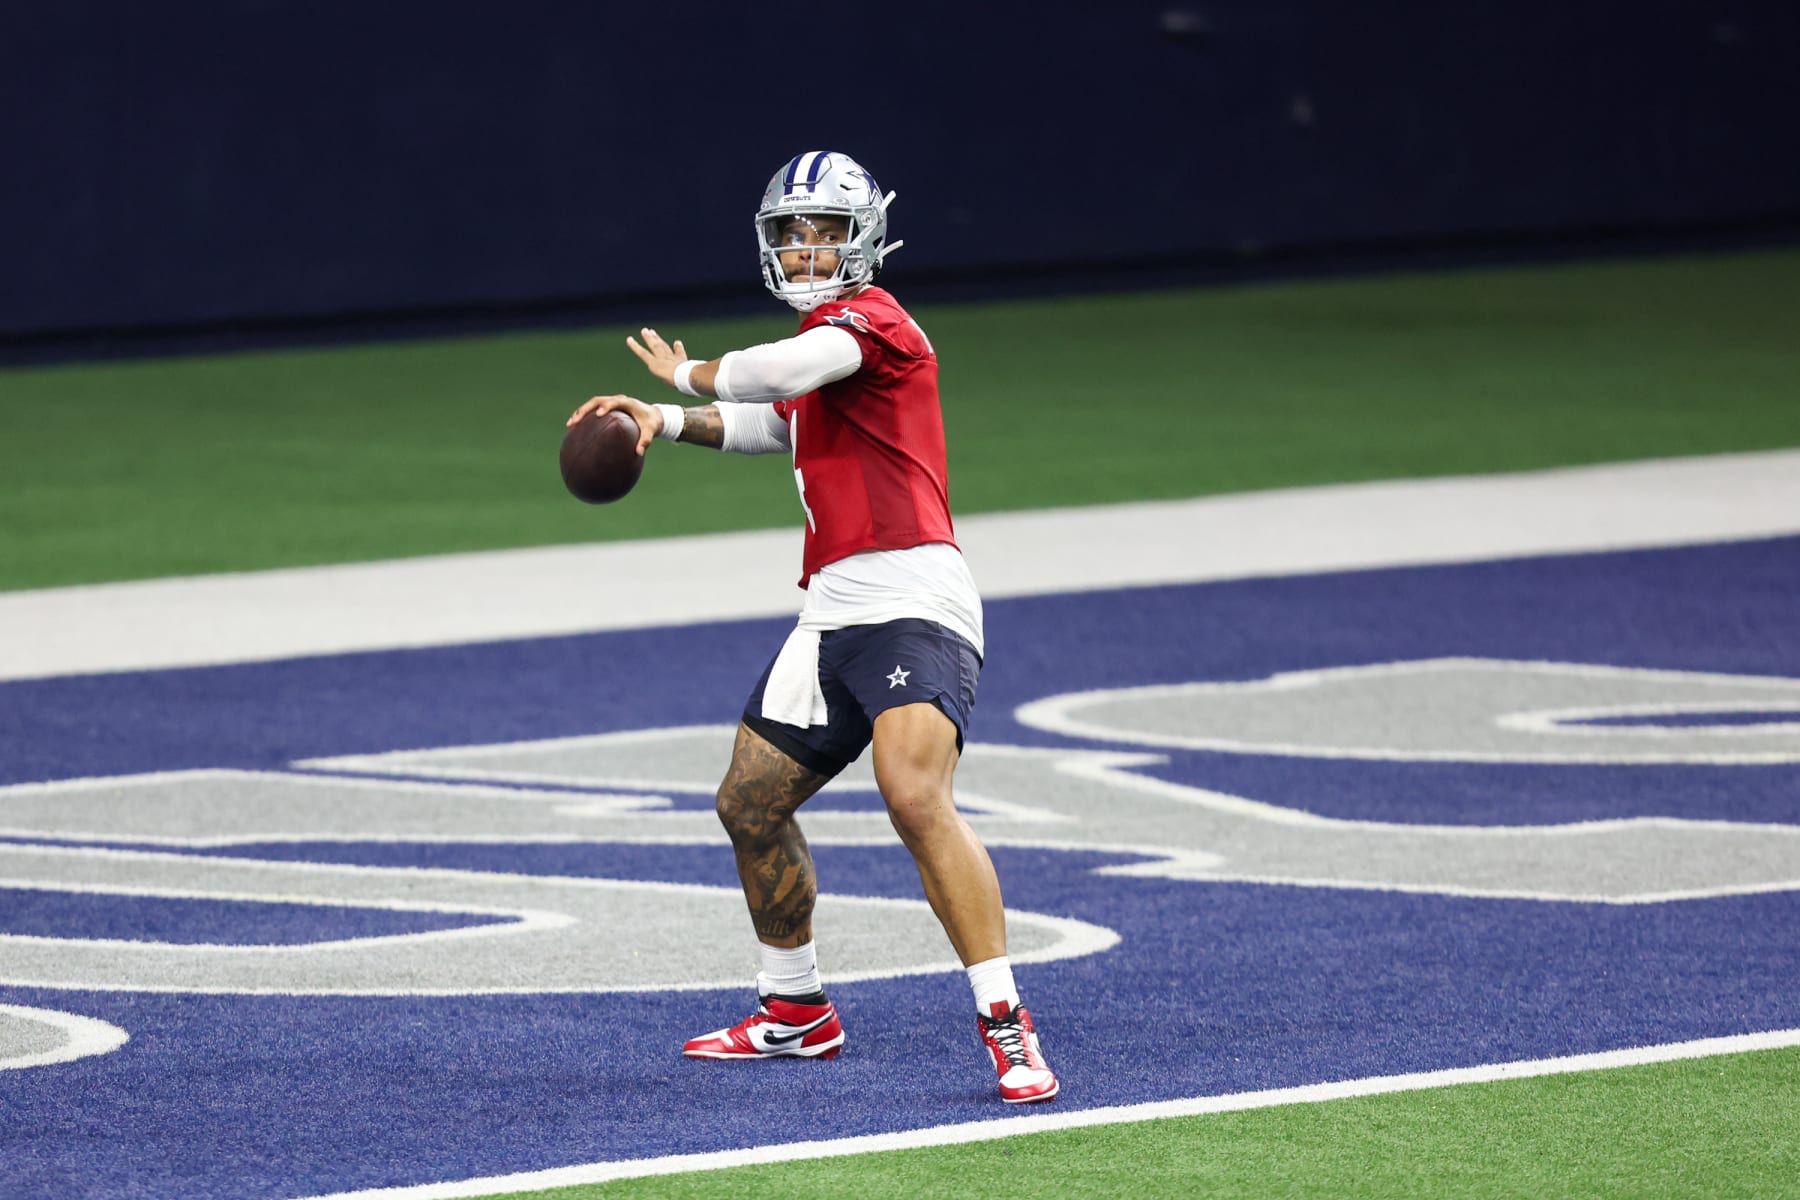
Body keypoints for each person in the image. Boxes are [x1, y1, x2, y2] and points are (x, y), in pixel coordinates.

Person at [566, 150, 1057, 1104]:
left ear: (864, 235)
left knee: (913, 795)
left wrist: (690, 370)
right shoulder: (826, 350)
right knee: (748, 803)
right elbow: (781, 423)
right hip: (833, 607)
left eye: (825, 230)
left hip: (914, 595)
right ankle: (796, 1011)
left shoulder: (872, 322)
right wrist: (660, 423)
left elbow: (779, 371)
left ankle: (1007, 1022)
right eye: (793, 233)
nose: (806, 248)